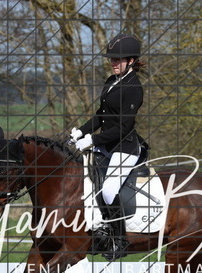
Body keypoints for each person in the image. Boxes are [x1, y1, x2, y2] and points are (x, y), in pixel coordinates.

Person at [70, 33, 146, 261]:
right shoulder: (111, 82)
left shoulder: (134, 87)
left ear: (131, 61)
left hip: (125, 148)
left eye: (118, 59)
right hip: (105, 146)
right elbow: (100, 116)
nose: (113, 63)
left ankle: (119, 240)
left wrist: (93, 140)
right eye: (112, 59)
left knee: (109, 190)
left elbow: (123, 127)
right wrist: (82, 131)